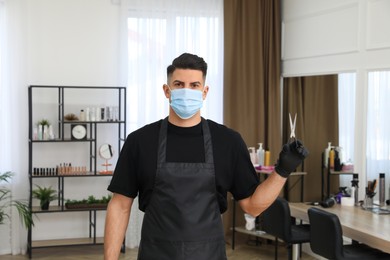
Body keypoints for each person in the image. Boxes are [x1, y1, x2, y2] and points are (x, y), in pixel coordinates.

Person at [104, 53, 308, 260]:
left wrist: (282, 170)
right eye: (178, 84)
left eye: (194, 85)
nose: (186, 91)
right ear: (167, 91)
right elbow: (120, 206)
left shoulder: (228, 141)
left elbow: (253, 207)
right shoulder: (140, 141)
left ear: (204, 91)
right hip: (156, 253)